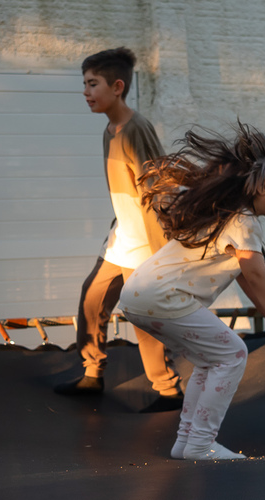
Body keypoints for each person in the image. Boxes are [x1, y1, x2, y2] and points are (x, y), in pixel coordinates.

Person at [120, 123, 265, 461]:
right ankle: (201, 444)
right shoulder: (244, 221)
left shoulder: (227, 216)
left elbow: (249, 282)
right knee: (233, 354)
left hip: (138, 295)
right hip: (163, 297)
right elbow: (258, 276)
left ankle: (187, 442)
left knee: (210, 360)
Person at [54, 47, 183, 412]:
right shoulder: (109, 130)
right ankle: (92, 374)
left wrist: (165, 251)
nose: (86, 91)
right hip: (122, 236)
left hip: (144, 242)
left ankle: (169, 389)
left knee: (142, 316)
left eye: (92, 84)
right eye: (84, 84)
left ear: (118, 86)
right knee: (92, 300)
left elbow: (158, 185)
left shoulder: (135, 129)